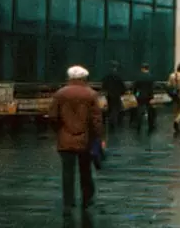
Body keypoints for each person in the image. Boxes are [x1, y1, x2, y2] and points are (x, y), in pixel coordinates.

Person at [49, 65, 104, 213]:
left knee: (67, 172)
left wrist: (59, 131)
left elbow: (53, 117)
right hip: (85, 139)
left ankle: (69, 202)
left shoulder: (60, 94)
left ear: (69, 78)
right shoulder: (90, 94)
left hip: (65, 138)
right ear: (84, 78)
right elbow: (96, 120)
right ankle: (86, 200)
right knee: (85, 170)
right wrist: (98, 138)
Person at [101, 61, 126, 133]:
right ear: (116, 68)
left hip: (108, 95)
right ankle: (113, 123)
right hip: (116, 95)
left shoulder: (107, 76)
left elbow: (103, 86)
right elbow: (122, 87)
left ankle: (106, 122)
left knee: (108, 108)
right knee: (115, 109)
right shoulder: (119, 76)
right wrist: (122, 92)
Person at [132, 63, 156, 131]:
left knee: (139, 110)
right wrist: (152, 96)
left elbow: (135, 87)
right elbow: (152, 87)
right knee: (150, 110)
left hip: (140, 96)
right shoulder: (151, 76)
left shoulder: (138, 76)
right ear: (148, 68)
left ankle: (138, 125)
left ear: (142, 68)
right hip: (149, 96)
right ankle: (151, 125)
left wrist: (135, 95)